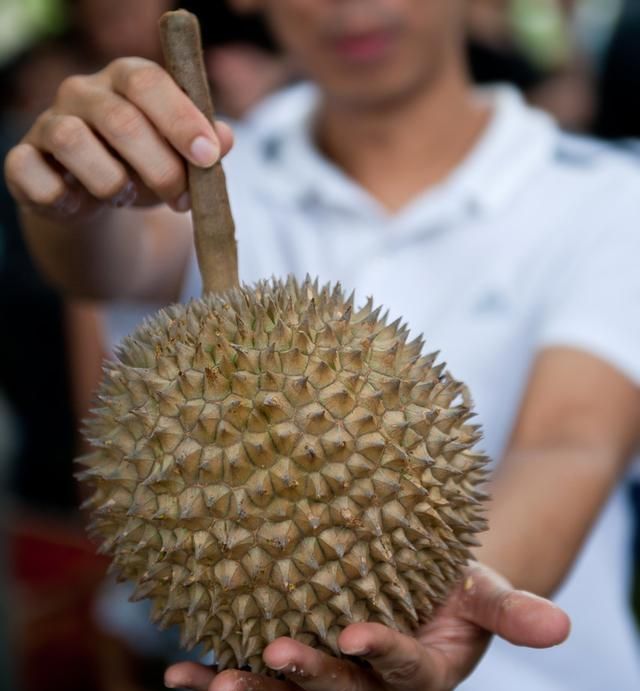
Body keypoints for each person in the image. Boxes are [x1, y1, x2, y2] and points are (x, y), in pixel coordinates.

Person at [4, 0, 640, 689]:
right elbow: (101, 258)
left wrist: (462, 595)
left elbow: (570, 440)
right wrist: (74, 191)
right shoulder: (204, 166)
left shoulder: (606, 194)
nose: (351, 6)